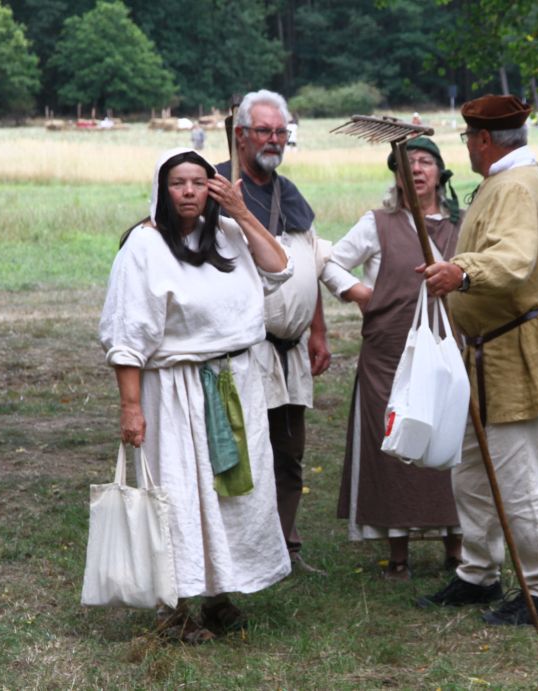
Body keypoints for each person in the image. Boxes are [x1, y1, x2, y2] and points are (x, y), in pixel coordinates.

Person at [99, 147, 293, 642]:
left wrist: (241, 211)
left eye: (199, 182)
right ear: (161, 190)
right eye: (178, 183)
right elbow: (127, 335)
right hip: (175, 391)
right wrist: (130, 407)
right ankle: (174, 606)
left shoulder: (228, 233)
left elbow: (279, 267)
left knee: (230, 494)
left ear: (213, 187)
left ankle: (219, 595)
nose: (189, 192)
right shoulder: (144, 247)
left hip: (234, 384)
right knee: (180, 494)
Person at [416, 95, 538, 626]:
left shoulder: (516, 187)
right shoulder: (503, 181)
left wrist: (461, 273)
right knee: (472, 473)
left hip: (515, 353)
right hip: (483, 355)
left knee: (519, 480)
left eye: (469, 137)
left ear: (484, 140)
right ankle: (478, 574)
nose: (467, 146)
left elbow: (514, 258)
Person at [321, 137, 463, 581]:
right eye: (406, 164)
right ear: (397, 177)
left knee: (451, 440)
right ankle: (398, 555)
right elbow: (329, 262)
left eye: (425, 162)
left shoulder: (463, 225)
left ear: (440, 172)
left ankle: (457, 549)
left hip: (451, 350)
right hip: (390, 355)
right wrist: (360, 292)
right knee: (397, 444)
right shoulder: (378, 223)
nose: (416, 169)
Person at [215, 90, 331, 575]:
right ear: (241, 135)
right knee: (248, 454)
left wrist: (318, 330)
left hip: (291, 352)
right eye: (264, 130)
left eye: (281, 132)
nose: (274, 140)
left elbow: (308, 263)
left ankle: (286, 546)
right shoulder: (215, 188)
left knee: (289, 454)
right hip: (245, 352)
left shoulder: (291, 194)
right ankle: (245, 553)